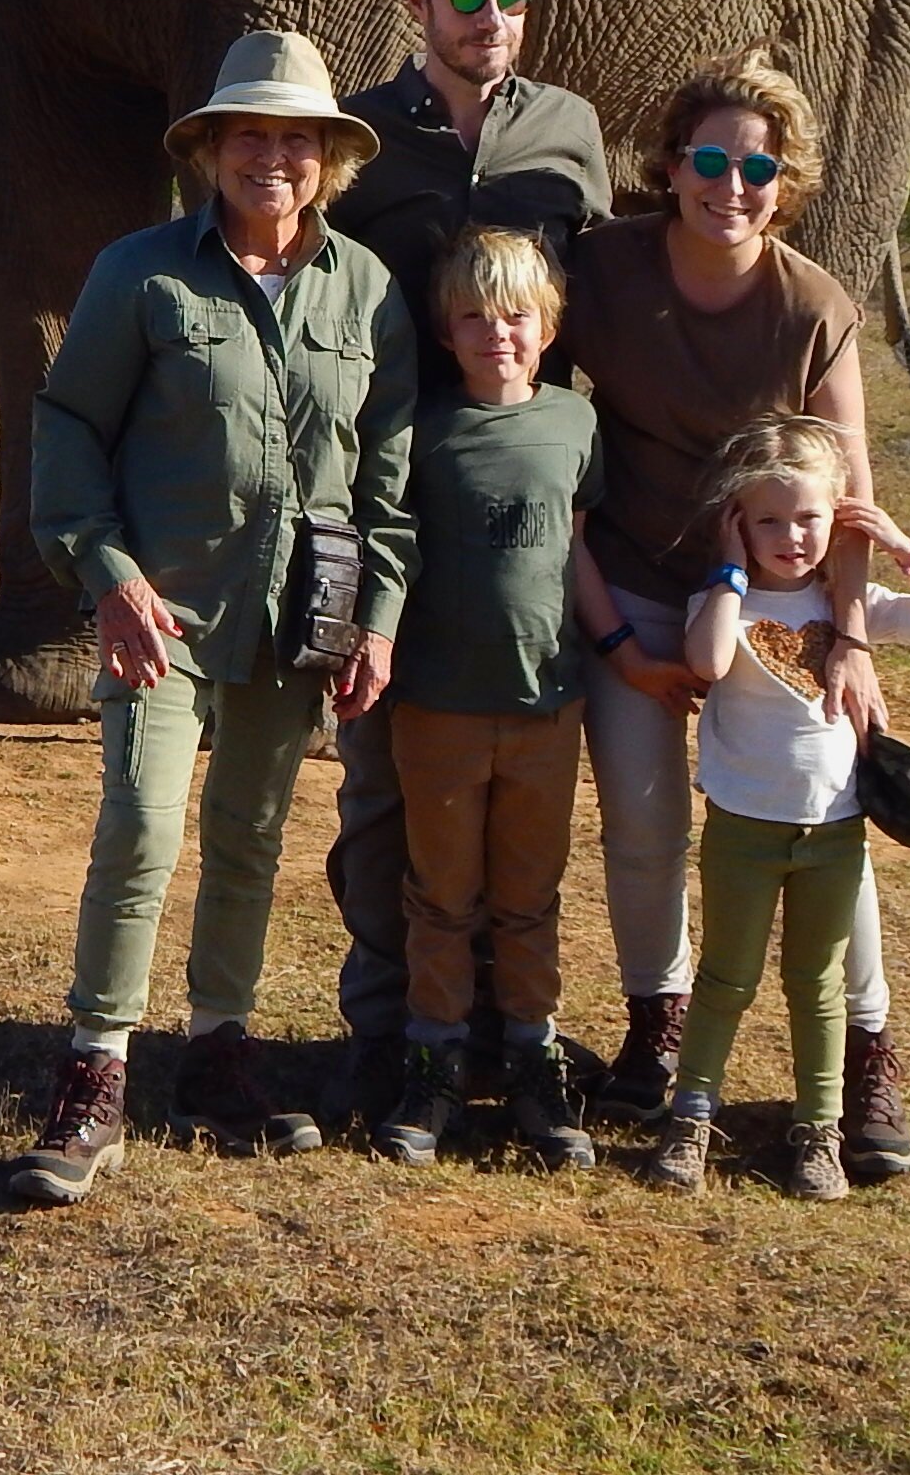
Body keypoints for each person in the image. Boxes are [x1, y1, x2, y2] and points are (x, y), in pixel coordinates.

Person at [9, 31, 418, 1207]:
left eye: (297, 140)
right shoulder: (141, 273)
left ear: (330, 159)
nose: (272, 159)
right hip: (164, 616)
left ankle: (221, 1055)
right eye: (251, 135)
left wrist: (373, 621)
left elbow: (383, 478)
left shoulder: (369, 290)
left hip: (303, 617)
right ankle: (95, 1073)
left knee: (251, 835)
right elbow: (70, 425)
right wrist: (107, 575)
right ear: (211, 151)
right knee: (142, 827)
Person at [561, 53, 910, 1182]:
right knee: (642, 819)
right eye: (711, 160)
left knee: (825, 823)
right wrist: (615, 634)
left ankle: (868, 1058)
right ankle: (658, 1026)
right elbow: (528, 406)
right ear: (669, 168)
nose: (733, 184)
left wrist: (851, 639)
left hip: (778, 606)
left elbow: (851, 491)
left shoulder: (813, 308)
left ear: (789, 182)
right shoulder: (603, 273)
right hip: (633, 583)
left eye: (758, 167)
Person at [326, 0, 614, 1120]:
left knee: (518, 806)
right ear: (417, 3)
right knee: (382, 779)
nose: (491, 19)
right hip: (382, 480)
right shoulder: (361, 135)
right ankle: (394, 1028)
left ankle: (509, 1033)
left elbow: (590, 300)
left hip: (520, 493)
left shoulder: (571, 131)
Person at [643, 414, 910, 1199]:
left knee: (817, 984)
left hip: (832, 831)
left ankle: (818, 1130)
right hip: (743, 827)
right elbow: (710, 661)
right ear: (738, 524)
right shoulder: (724, 602)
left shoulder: (851, 605)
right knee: (725, 977)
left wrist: (900, 545)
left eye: (809, 518)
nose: (790, 535)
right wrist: (728, 569)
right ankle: (691, 1117)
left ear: (837, 517)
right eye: (767, 520)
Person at [369, 227, 605, 1172]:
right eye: (472, 316)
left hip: (550, 702)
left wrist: (620, 641)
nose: (494, 334)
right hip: (438, 705)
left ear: (547, 325)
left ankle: (532, 1056)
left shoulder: (577, 424)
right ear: (444, 327)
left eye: (515, 316)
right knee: (440, 893)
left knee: (529, 893)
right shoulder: (418, 428)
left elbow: (579, 547)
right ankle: (432, 1060)